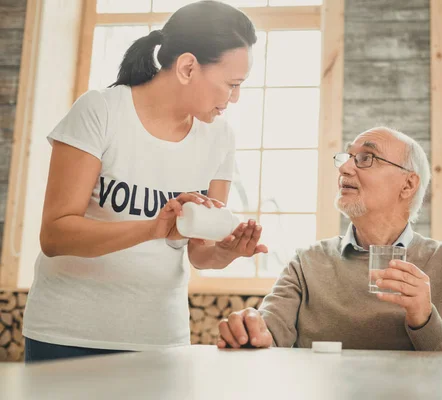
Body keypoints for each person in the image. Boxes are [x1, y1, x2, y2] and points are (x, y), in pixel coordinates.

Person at [23, 1, 267, 363]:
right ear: (187, 67)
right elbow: (55, 235)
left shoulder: (219, 137)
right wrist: (153, 228)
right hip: (66, 333)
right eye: (231, 84)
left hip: (160, 338)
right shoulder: (101, 110)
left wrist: (225, 252)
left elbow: (198, 252)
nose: (235, 98)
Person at [217, 127, 442, 352]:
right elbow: (269, 333)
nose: (344, 168)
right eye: (347, 157)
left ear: (408, 185)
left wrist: (424, 320)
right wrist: (251, 332)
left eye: (366, 158)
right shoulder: (306, 264)